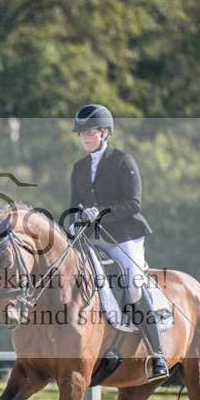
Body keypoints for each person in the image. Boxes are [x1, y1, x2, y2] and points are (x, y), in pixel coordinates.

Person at [70, 104, 168, 381]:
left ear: (105, 133)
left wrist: (100, 212)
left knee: (134, 285)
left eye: (90, 133)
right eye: (82, 134)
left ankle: (157, 354)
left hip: (125, 236)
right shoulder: (79, 168)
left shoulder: (124, 161)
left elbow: (133, 204)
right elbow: (73, 204)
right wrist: (73, 219)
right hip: (93, 237)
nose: (85, 138)